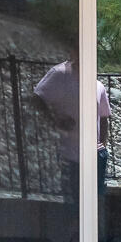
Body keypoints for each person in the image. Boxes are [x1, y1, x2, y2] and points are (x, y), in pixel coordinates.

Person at [30, 58, 112, 201]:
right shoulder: (61, 80)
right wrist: (56, 120)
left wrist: (102, 145)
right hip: (72, 155)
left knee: (95, 200)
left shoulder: (98, 86)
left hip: (96, 155)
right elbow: (37, 99)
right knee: (73, 202)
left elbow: (104, 118)